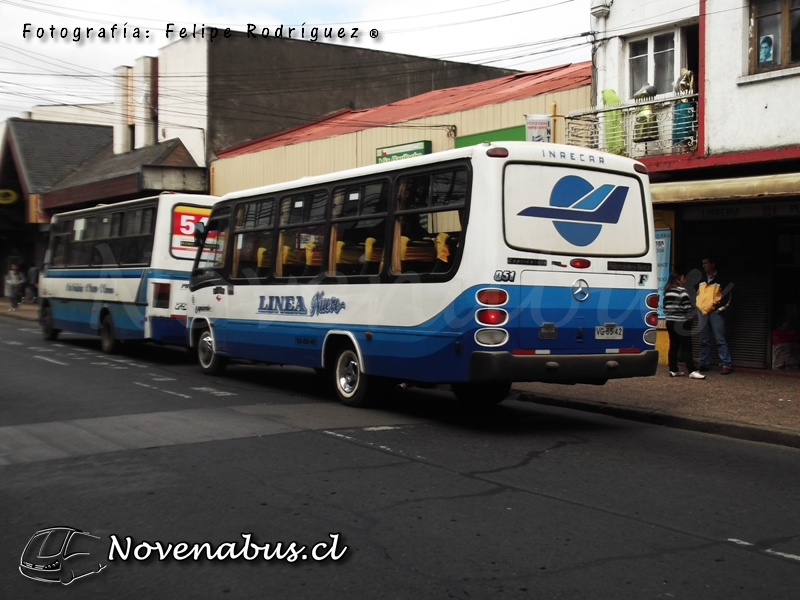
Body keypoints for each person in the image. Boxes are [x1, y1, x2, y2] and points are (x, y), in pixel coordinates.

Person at [663, 270, 705, 379]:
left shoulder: (667, 292)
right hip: (682, 322)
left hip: (670, 322)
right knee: (687, 347)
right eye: (683, 278)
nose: (684, 280)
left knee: (673, 346)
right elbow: (687, 308)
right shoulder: (682, 291)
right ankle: (692, 370)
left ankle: (673, 369)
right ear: (678, 280)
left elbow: (665, 308)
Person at [696, 255, 733, 374]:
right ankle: (703, 363)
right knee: (704, 339)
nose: (704, 266)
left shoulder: (722, 278)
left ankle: (726, 364)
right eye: (703, 263)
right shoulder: (701, 279)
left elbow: (727, 296)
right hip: (702, 312)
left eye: (706, 263)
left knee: (720, 339)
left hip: (715, 312)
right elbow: (697, 294)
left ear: (713, 264)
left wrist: (719, 309)